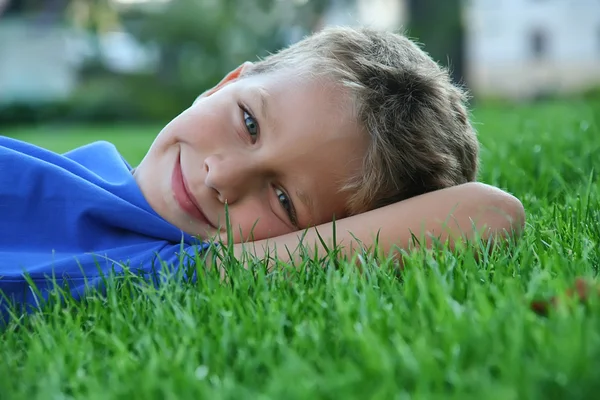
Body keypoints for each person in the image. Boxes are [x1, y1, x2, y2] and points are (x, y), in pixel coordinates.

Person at [0, 27, 525, 319]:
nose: (221, 177)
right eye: (247, 121)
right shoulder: (50, 170)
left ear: (321, 237)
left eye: (282, 200)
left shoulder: (152, 269)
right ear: (225, 83)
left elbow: (487, 214)